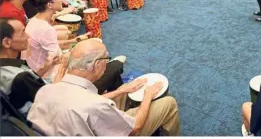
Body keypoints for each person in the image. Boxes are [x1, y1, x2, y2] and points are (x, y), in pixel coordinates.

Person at [27, 39, 180, 136]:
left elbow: (87, 103)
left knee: (122, 93)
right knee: (169, 102)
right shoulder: (95, 106)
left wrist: (121, 90)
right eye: (107, 58)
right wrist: (147, 96)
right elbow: (135, 128)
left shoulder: (46, 90)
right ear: (96, 65)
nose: (108, 62)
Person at [0, 18, 52, 114]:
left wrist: (44, 68)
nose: (27, 36)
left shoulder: (12, 72)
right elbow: (52, 100)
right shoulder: (21, 77)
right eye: (23, 33)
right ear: (7, 42)